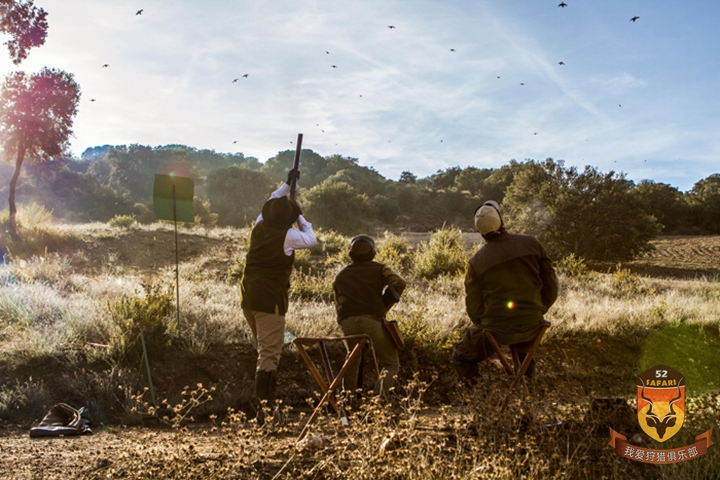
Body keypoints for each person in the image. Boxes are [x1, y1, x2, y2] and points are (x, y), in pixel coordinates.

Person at [451, 200, 558, 382]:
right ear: (502, 221)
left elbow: (473, 306)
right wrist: (539, 308)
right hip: (533, 324)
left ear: (479, 232)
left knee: (460, 358)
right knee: (525, 352)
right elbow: (552, 285)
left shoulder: (476, 261)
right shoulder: (532, 244)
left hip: (495, 329)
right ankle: (527, 391)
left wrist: (484, 322)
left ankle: (482, 398)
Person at [240, 171, 316, 420]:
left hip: (249, 299)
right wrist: (300, 215)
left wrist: (286, 185)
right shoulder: (289, 236)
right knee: (269, 355)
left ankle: (266, 409)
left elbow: (272, 199)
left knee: (263, 351)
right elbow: (312, 239)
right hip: (270, 301)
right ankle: (267, 413)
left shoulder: (259, 225)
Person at [333, 234, 407, 400]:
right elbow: (399, 282)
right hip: (372, 321)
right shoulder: (380, 269)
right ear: (373, 252)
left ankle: (349, 400)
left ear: (351, 254)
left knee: (352, 359)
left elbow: (338, 304)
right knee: (391, 364)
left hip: (347, 323)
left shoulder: (341, 275)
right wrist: (384, 305)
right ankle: (378, 400)